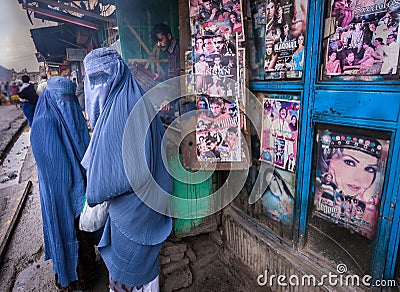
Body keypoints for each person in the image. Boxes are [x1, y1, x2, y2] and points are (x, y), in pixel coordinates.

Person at [82, 48, 173, 292]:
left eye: (103, 77)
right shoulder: (132, 99)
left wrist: (95, 189)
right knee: (143, 270)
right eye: (93, 80)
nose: (98, 87)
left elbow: (119, 176)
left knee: (129, 271)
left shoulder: (125, 109)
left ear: (119, 72)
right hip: (146, 205)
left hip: (134, 211)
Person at [30, 76, 96, 290]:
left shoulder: (71, 110)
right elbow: (56, 173)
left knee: (83, 234)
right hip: (60, 194)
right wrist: (75, 184)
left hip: (80, 189)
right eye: (63, 99)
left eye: (70, 99)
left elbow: (84, 146)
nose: (67, 103)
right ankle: (70, 278)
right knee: (66, 229)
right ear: (51, 97)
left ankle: (88, 275)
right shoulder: (43, 122)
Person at [315, 132, 384, 238]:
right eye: (350, 162)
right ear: (328, 161)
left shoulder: (368, 208)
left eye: (370, 169)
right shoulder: (320, 189)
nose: (359, 178)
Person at [151, 23, 181, 122]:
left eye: (160, 40)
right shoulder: (171, 51)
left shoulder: (178, 50)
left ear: (168, 36)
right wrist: (161, 76)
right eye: (157, 42)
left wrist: (168, 99)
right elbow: (173, 75)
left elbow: (179, 78)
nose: (158, 44)